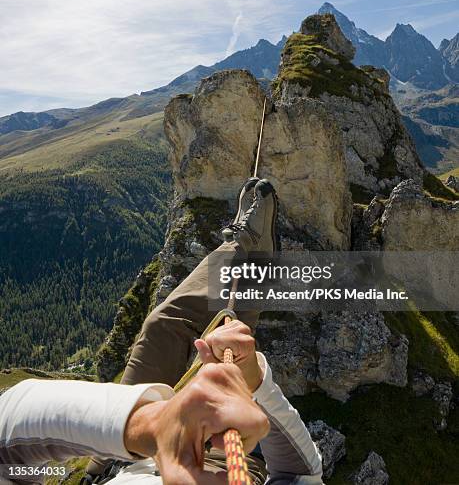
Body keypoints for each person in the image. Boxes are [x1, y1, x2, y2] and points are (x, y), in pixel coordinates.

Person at [0, 179, 323, 484]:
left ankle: (240, 244)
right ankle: (256, 254)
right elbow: (303, 472)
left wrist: (144, 426)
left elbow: (8, 430)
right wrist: (254, 379)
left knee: (162, 325)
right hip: (220, 460)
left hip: (126, 453)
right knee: (231, 338)